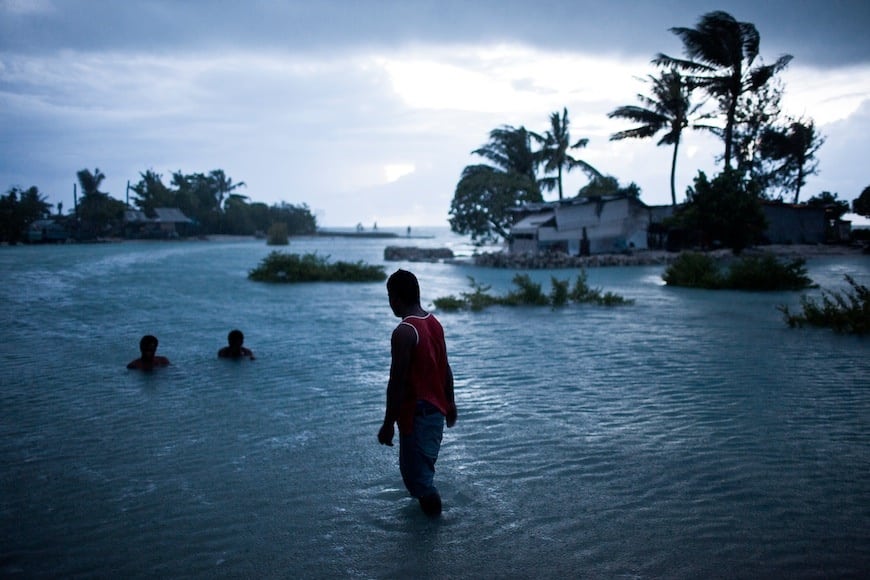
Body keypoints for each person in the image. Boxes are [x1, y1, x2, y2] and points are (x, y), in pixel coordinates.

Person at [378, 269, 457, 516]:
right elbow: (445, 367)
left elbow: (396, 383)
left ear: (395, 298)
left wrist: (388, 423)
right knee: (421, 478)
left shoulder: (404, 331)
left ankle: (433, 538)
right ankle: (427, 538)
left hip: (417, 415)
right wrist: (450, 404)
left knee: (420, 484)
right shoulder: (433, 323)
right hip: (434, 413)